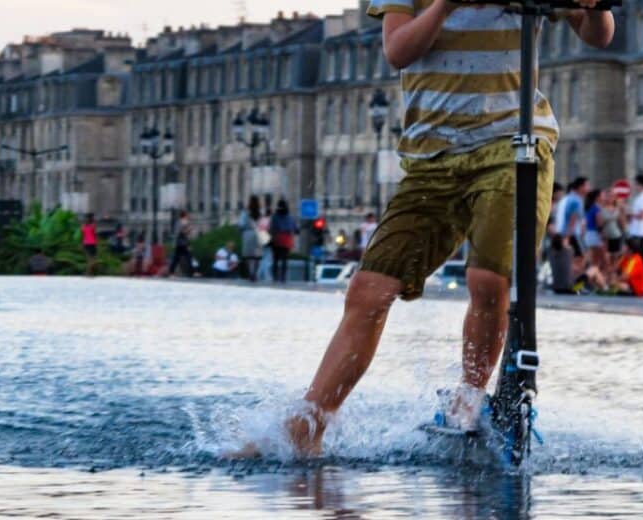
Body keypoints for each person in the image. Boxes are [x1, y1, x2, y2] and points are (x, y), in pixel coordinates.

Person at [232, 0, 613, 457]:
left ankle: (470, 399)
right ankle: (309, 423)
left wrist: (594, 9)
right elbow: (398, 50)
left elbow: (599, 33)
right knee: (369, 290)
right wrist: (446, 5)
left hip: (510, 147)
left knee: (488, 278)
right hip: (431, 158)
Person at [269, 199, 298, 283]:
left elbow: (272, 228)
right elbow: (295, 229)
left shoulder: (275, 216)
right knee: (284, 259)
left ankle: (275, 277)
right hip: (287, 239)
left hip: (277, 238)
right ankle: (283, 277)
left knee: (275, 259)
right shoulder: (290, 217)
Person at [239, 196, 264, 281]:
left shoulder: (245, 212)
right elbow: (264, 224)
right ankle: (255, 273)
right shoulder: (261, 212)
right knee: (257, 256)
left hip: (248, 235)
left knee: (248, 256)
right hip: (258, 235)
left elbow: (241, 225)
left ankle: (250, 273)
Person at [584, 189, 608, 275]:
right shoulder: (596, 208)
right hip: (595, 235)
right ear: (597, 197)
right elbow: (599, 224)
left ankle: (592, 283)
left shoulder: (589, 207)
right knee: (602, 261)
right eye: (602, 195)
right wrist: (603, 237)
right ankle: (603, 284)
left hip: (589, 235)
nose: (604, 196)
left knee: (594, 262)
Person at [169, 211, 194, 277]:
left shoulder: (180, 222)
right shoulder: (183, 222)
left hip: (181, 243)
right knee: (188, 257)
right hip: (182, 243)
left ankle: (171, 272)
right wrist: (189, 229)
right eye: (187, 215)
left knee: (177, 258)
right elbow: (182, 233)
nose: (189, 216)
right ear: (185, 215)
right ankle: (192, 272)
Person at [256, 208, 273, 282]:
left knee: (263, 258)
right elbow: (270, 230)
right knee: (268, 258)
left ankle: (259, 274)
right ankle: (266, 276)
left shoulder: (261, 220)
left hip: (261, 238)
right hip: (267, 238)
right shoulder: (270, 220)